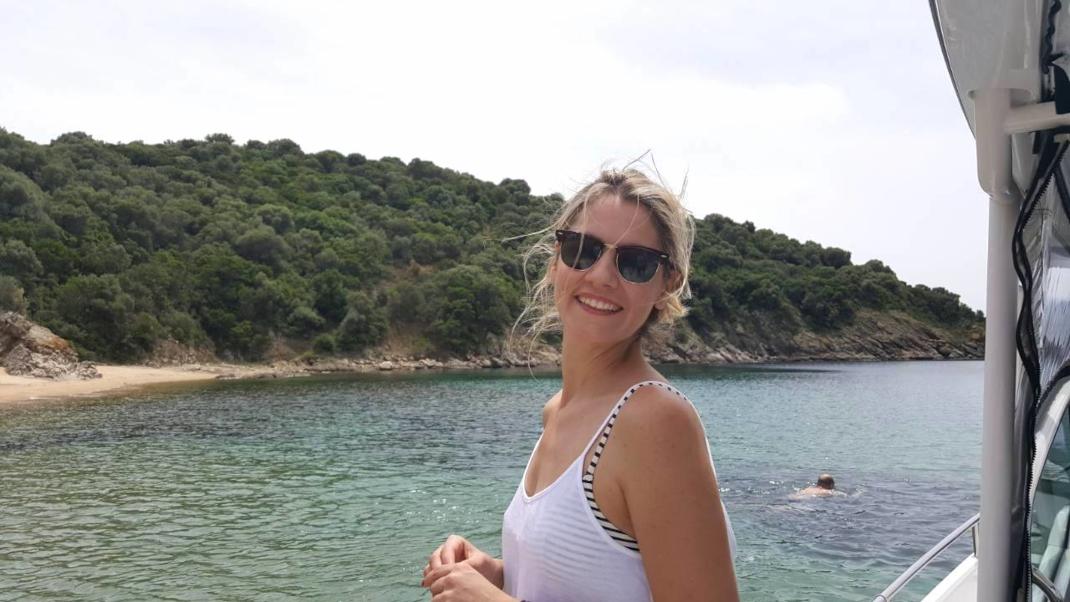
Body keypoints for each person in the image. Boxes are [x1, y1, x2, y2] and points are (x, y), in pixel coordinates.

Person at [420, 168, 739, 601]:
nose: (602, 275)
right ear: (556, 261)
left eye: (636, 262)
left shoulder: (654, 420)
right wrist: (497, 575)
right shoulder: (557, 411)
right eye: (583, 250)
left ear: (668, 284)